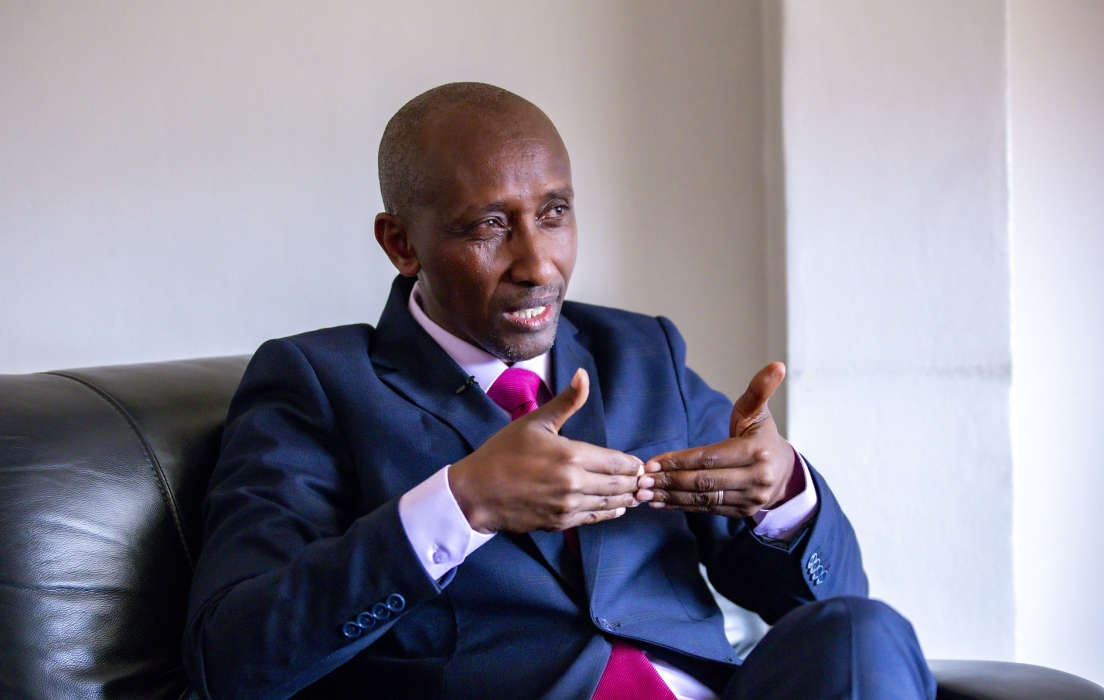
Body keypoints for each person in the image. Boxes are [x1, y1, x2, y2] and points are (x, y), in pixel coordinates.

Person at [183, 82, 935, 700]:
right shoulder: (318, 385)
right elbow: (233, 661)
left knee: (860, 636)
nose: (538, 263)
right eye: (488, 227)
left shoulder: (644, 354)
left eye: (554, 214)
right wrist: (462, 502)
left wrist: (781, 496)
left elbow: (821, 603)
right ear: (402, 244)